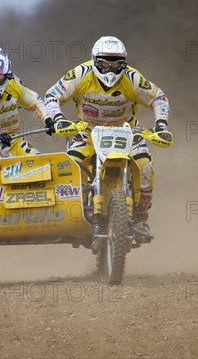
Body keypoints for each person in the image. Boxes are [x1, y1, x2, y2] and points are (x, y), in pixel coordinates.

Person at [44, 36, 170, 238]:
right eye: (104, 64)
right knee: (70, 166)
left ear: (124, 64)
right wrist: (59, 119)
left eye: (116, 64)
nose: (110, 70)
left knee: (145, 166)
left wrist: (161, 125)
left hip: (126, 130)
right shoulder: (80, 74)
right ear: (95, 61)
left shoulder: (133, 78)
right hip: (87, 131)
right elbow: (52, 95)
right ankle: (75, 213)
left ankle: (140, 218)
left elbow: (159, 98)